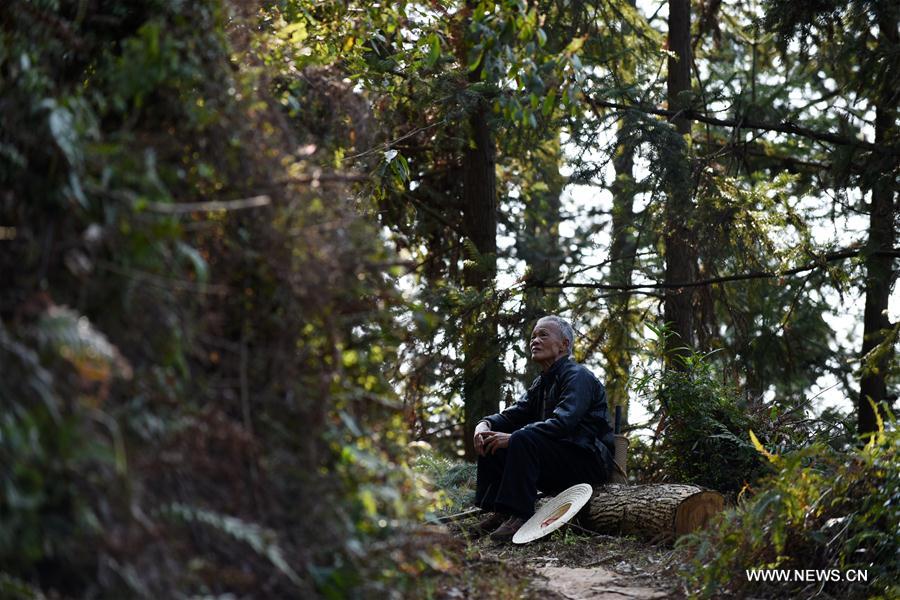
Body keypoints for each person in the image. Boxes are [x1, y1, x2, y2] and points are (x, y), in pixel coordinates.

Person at [471, 315, 615, 542]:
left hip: (586, 461)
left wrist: (514, 437)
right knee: (494, 437)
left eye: (543, 335)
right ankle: (500, 511)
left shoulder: (578, 377)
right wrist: (484, 424)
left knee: (521, 437)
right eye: (533, 336)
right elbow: (512, 414)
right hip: (557, 460)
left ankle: (520, 514)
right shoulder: (543, 382)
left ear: (564, 345)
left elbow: (563, 423)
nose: (534, 341)